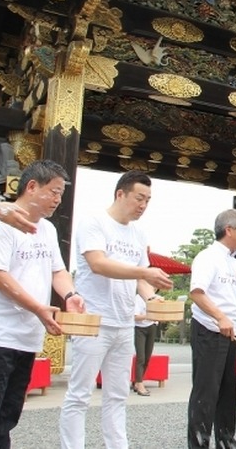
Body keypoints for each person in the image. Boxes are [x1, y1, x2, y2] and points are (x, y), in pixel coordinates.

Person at [0, 160, 84, 448]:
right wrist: (39, 308)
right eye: (54, 192)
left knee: (7, 416)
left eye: (61, 194)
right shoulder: (0, 221)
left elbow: (58, 271)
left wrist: (70, 295)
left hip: (25, 339)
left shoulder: (48, 230)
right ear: (31, 186)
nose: (57, 199)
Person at [60, 170, 173, 449]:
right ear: (120, 194)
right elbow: (99, 264)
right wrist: (145, 274)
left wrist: (150, 298)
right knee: (80, 394)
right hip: (94, 320)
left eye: (148, 199)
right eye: (139, 198)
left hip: (124, 324)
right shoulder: (94, 222)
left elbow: (138, 279)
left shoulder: (138, 233)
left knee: (118, 394)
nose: (143, 205)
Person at [188, 208, 236, 449]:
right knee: (206, 389)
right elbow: (197, 293)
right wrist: (220, 317)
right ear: (228, 230)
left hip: (232, 333)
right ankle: (199, 443)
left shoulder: (233, 263)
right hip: (209, 330)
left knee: (228, 389)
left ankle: (225, 439)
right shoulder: (207, 257)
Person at [132, 293, 159, 396]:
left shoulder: (156, 298)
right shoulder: (138, 298)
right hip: (139, 328)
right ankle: (139, 383)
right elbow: (135, 316)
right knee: (141, 357)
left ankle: (138, 381)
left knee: (147, 357)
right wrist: (149, 315)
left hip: (151, 326)